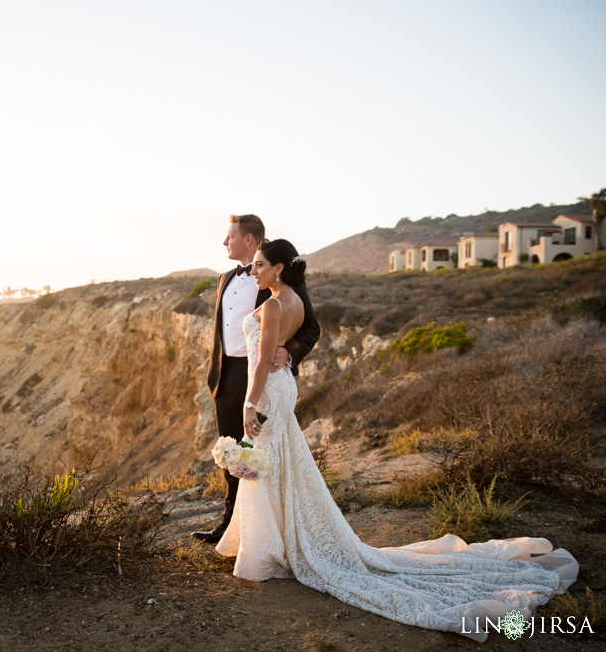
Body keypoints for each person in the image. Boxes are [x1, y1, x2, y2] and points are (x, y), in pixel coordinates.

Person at [214, 238, 578, 642]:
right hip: (283, 387)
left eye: (261, 265)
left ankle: (266, 549)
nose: (255, 272)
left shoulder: (272, 305)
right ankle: (272, 540)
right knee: (274, 457)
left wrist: (249, 403)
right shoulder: (294, 300)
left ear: (279, 268)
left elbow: (263, 358)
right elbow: (281, 349)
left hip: (267, 388)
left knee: (265, 457)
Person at [193, 215, 320, 544]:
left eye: (230, 235)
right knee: (234, 451)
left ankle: (265, 529)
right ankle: (231, 523)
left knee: (261, 450)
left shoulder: (279, 284)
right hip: (225, 375)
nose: (225, 242)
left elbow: (310, 327)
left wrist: (288, 352)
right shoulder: (224, 279)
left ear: (248, 240)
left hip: (260, 374)